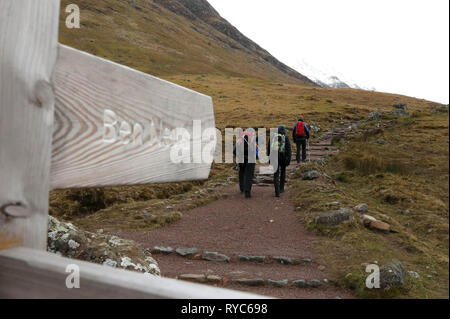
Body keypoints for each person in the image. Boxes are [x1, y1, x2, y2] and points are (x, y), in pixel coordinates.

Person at [233, 128, 258, 198]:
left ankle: (242, 188)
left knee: (241, 172)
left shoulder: (240, 139)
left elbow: (234, 151)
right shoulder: (253, 139)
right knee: (249, 175)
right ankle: (247, 192)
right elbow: (256, 151)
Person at [268, 125, 292, 197]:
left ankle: (277, 191)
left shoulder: (272, 137)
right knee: (283, 172)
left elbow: (269, 149)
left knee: (275, 174)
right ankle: (281, 188)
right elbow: (288, 150)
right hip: (283, 157)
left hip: (274, 157)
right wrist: (288, 159)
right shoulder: (285, 138)